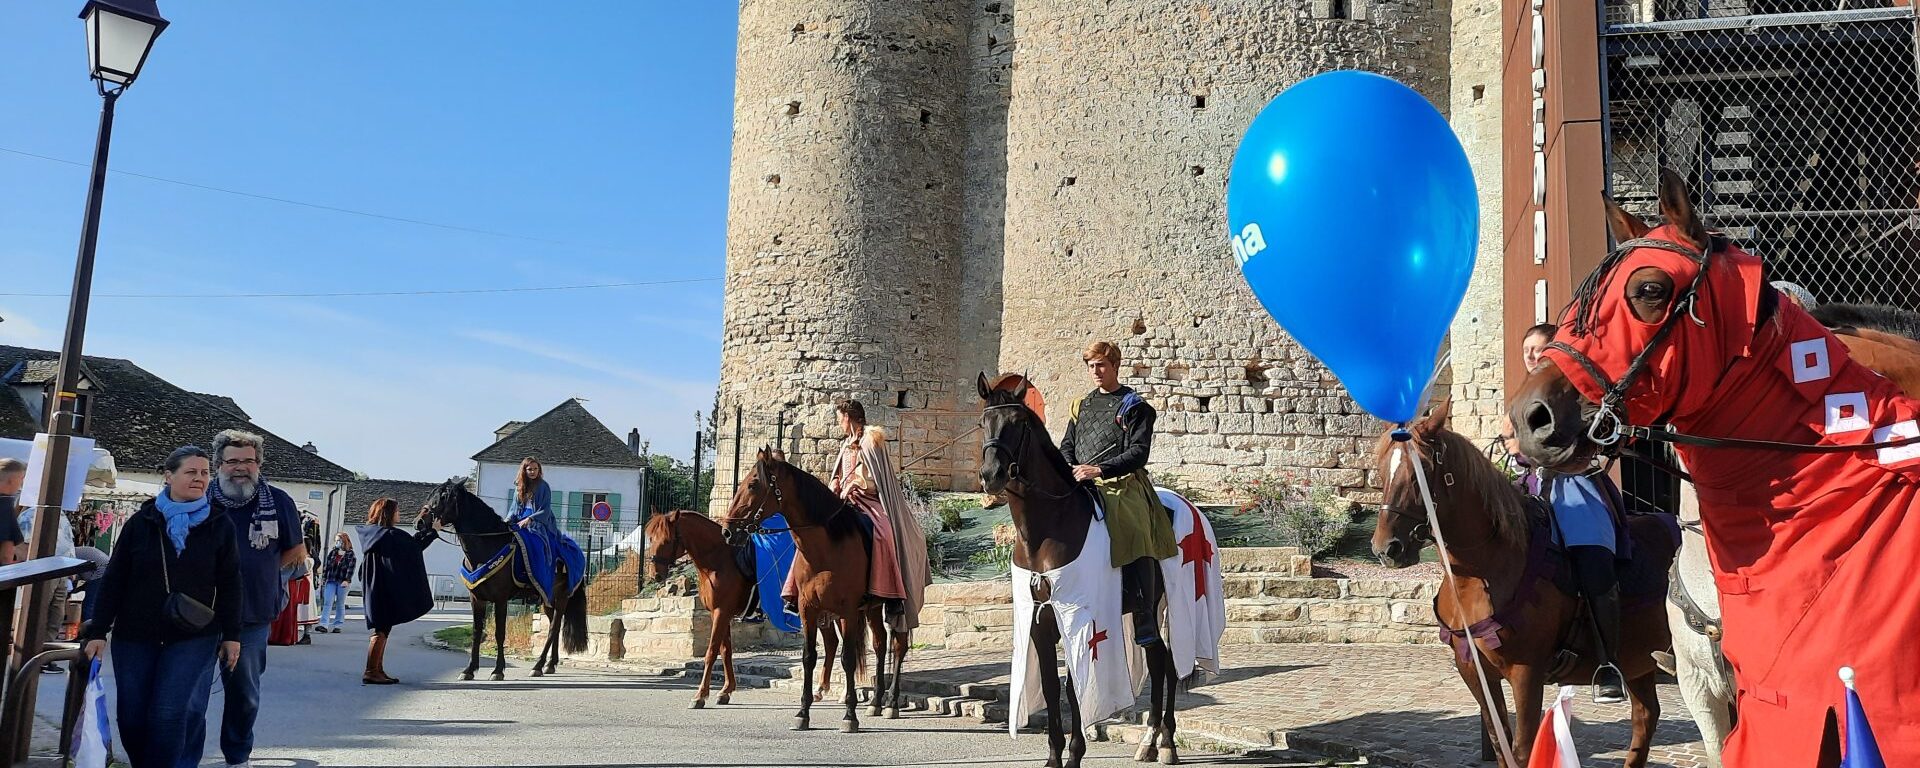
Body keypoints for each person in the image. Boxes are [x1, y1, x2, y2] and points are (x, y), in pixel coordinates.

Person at [79, 446, 242, 768]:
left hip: (195, 635)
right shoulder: (142, 522)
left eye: (205, 473)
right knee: (132, 715)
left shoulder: (220, 525)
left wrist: (232, 635)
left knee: (168, 713)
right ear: (169, 476)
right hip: (135, 633)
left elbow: (231, 583)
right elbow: (115, 578)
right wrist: (98, 630)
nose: (199, 478)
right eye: (191, 472)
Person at [187, 429, 307, 768]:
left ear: (259, 464)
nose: (241, 467)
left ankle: (237, 758)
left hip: (252, 613)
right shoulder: (199, 500)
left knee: (244, 695)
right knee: (191, 696)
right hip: (199, 613)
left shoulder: (278, 501)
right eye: (233, 461)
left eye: (249, 461)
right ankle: (185, 760)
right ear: (218, 465)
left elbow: (296, 550)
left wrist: (263, 569)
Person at [1059, 341, 1177, 647]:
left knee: (1134, 528)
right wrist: (1072, 467)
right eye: (1091, 366)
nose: (1096, 371)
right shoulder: (1081, 405)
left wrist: (1099, 469)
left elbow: (1139, 452)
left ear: (1115, 366)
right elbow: (1068, 444)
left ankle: (1144, 613)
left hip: (1122, 483)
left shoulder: (1134, 406)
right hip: (1081, 480)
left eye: (1101, 365)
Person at [779, 400, 930, 627]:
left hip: (867, 500)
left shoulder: (871, 441)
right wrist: (836, 482)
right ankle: (796, 591)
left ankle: (891, 595)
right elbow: (840, 472)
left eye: (840, 419)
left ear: (848, 418)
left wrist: (855, 484)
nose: (839, 423)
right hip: (843, 501)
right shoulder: (846, 443)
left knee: (884, 533)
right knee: (812, 534)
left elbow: (875, 479)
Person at [355, 498, 436, 685]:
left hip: (375, 586)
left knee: (382, 627)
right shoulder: (389, 535)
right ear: (388, 513)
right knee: (382, 628)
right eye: (397, 510)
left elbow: (409, 546)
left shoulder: (373, 533)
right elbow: (413, 548)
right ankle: (371, 671)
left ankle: (377, 669)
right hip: (383, 587)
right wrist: (433, 531)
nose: (399, 514)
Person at [18, 482, 78, 673]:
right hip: (43, 570)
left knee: (56, 614)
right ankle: (32, 655)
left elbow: (68, 541)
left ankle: (47, 654)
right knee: (39, 612)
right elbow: (23, 546)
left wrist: (71, 568)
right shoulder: (30, 515)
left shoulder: (61, 515)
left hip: (61, 571)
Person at [318, 532, 356, 634]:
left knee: (340, 603)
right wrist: (324, 578)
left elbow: (350, 568)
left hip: (342, 581)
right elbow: (327, 566)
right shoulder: (333, 552)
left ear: (344, 541)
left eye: (339, 540)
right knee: (327, 602)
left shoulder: (350, 554)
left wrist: (347, 580)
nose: (337, 542)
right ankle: (324, 624)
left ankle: (338, 625)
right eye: (336, 541)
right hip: (331, 580)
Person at [0, 459, 27, 564]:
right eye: (21, 478)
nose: (22, 483)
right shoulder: (4, 505)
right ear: (11, 480)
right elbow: (6, 556)